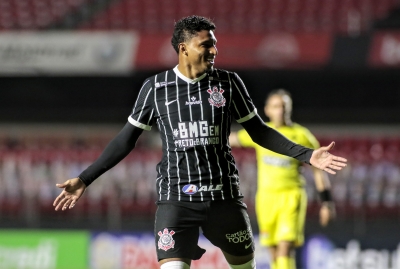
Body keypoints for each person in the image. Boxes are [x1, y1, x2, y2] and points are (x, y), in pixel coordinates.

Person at [53, 16, 346, 269]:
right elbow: (126, 139)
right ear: (184, 48)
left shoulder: (228, 83)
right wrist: (84, 178)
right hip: (176, 201)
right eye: (206, 45)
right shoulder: (155, 88)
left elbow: (259, 131)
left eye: (214, 43)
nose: (214, 50)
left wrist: (308, 155)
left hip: (224, 200)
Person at [230, 89, 336, 269]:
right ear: (267, 110)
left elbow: (319, 171)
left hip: (291, 197)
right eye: (276, 106)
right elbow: (232, 139)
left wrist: (326, 203)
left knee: (285, 248)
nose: (280, 111)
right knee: (273, 250)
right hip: (266, 198)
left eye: (284, 106)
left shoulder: (302, 136)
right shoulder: (261, 133)